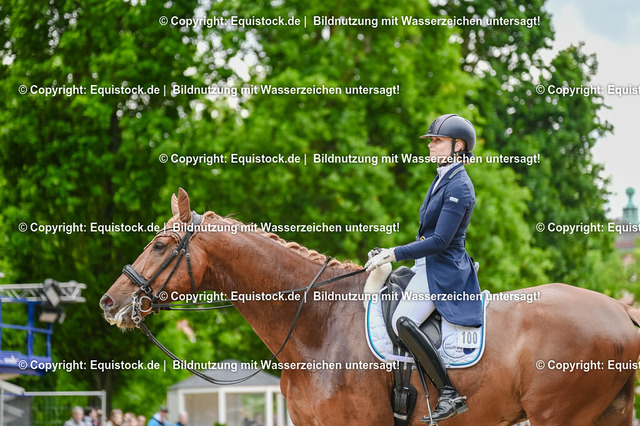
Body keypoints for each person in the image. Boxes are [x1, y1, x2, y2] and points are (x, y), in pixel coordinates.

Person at [365, 113, 482, 423]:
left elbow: (441, 240)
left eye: (437, 140)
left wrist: (394, 253)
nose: (431, 145)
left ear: (458, 146)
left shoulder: (460, 186)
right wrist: (389, 253)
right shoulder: (442, 178)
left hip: (444, 270)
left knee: (402, 321)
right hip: (426, 266)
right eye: (430, 141)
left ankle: (449, 393)